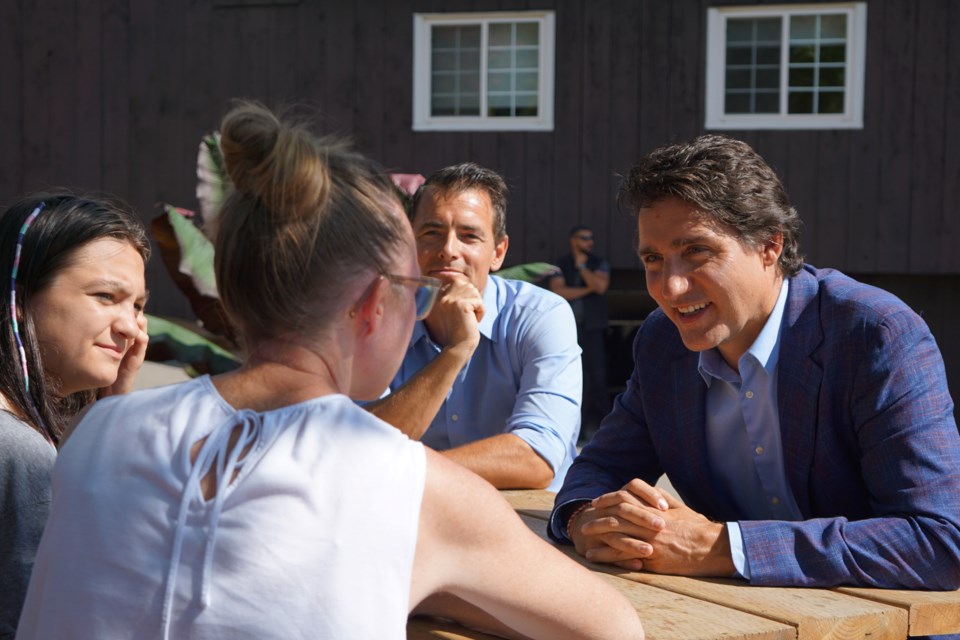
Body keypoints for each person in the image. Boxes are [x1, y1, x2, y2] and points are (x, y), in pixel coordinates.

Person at [17, 103, 643, 640]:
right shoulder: (413, 490)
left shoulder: (98, 435)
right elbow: (616, 628)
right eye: (412, 289)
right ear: (373, 306)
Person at [551, 134, 960, 594]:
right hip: (735, 615)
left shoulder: (873, 335)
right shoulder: (661, 342)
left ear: (769, 247)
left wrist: (724, 547)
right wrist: (587, 518)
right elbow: (599, 468)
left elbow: (938, 542)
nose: (671, 287)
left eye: (696, 252)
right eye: (653, 259)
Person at [367, 163, 582, 491]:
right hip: (423, 516)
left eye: (469, 236)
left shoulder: (541, 314)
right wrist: (457, 350)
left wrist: (403, 468)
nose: (448, 250)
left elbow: (537, 458)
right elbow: (363, 444)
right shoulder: (382, 319)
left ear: (497, 252)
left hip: (526, 520)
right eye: (432, 233)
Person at [0, 193, 149, 638]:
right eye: (106, 296)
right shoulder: (20, 455)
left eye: (138, 306)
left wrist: (109, 415)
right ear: (19, 301)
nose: (131, 328)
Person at [549, 225, 611, 441]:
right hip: (569, 331)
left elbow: (601, 286)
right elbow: (559, 291)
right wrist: (588, 288)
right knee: (575, 380)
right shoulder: (561, 264)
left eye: (591, 238)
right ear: (573, 240)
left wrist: (583, 267)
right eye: (584, 238)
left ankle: (606, 431)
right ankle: (579, 431)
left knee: (598, 379)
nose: (589, 242)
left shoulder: (598, 262)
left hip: (593, 329)